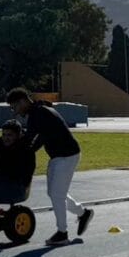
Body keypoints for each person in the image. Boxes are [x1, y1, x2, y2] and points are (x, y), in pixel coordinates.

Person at [7, 88, 93, 245]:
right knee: (54, 193)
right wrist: (23, 151)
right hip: (58, 156)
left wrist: (14, 152)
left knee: (57, 195)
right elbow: (37, 140)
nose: (15, 111)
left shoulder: (38, 114)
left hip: (66, 156)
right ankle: (83, 213)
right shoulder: (39, 111)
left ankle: (62, 233)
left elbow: (31, 140)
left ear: (23, 101)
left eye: (15, 107)